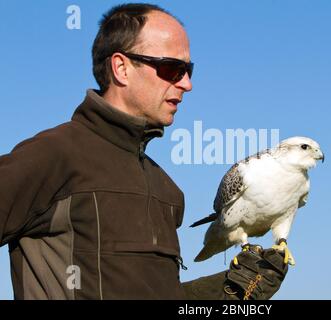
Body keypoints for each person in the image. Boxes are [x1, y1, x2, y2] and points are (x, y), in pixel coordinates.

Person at [0, 3, 287, 300]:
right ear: (121, 68)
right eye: (172, 68)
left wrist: (228, 290)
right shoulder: (53, 156)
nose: (186, 84)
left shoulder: (167, 190)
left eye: (189, 70)